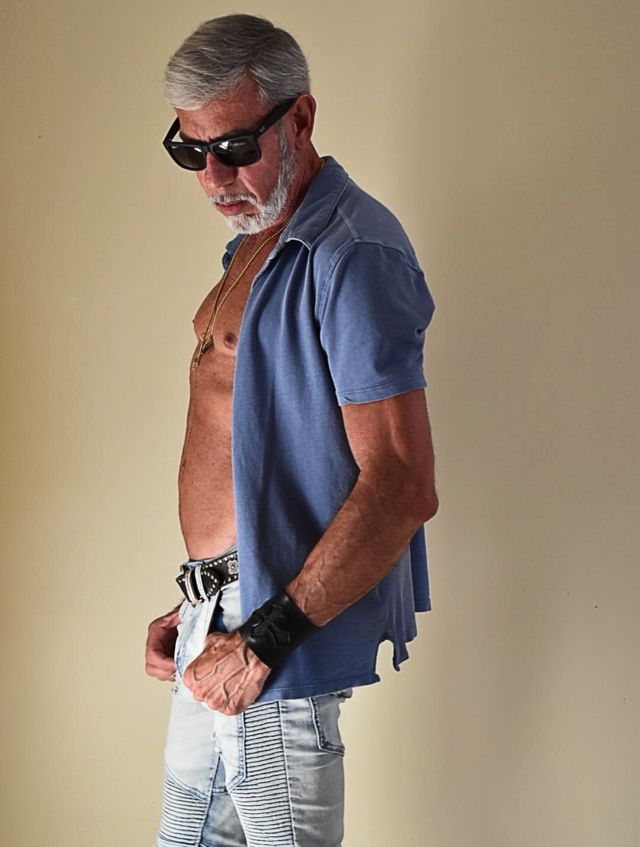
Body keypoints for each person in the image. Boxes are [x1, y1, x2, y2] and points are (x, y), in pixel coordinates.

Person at [145, 13, 439, 847]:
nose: (213, 178)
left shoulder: (352, 252)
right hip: (223, 612)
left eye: (235, 147)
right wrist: (201, 596)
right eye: (191, 151)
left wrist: (261, 638)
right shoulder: (257, 243)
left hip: (272, 632)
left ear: (300, 118)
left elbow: (402, 483)